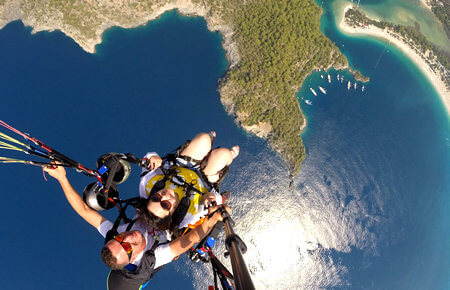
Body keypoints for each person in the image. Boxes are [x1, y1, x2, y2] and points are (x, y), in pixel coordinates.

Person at [43, 163, 228, 290]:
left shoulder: (116, 235)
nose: (128, 237)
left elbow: (84, 211)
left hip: (154, 214)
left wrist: (62, 178)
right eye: (127, 247)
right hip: (171, 229)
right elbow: (187, 241)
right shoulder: (150, 259)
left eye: (120, 239)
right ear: (132, 259)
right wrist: (213, 219)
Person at [138, 131, 239, 235]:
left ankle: (209, 140)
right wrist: (210, 196)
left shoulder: (148, 185)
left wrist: (152, 157)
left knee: (203, 138)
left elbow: (146, 161)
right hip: (205, 181)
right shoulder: (188, 215)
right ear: (172, 213)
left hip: (181, 165)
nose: (163, 196)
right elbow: (215, 202)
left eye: (155, 198)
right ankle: (228, 155)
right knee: (224, 154)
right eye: (165, 204)